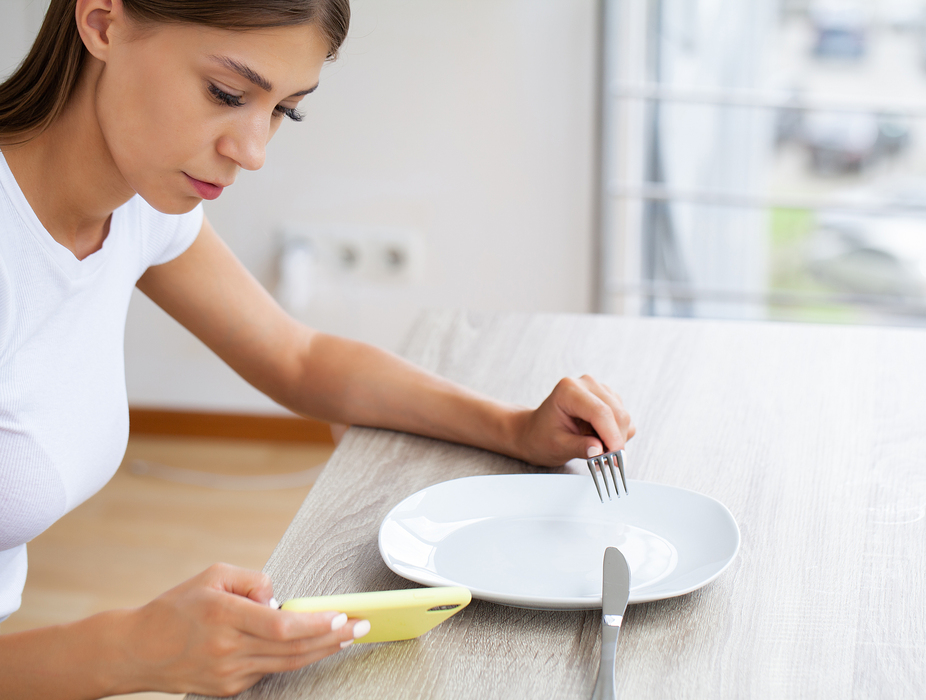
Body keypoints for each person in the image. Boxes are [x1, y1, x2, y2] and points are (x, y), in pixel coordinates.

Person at [0, 0, 635, 697]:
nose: (252, 152)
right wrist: (133, 649)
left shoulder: (136, 208)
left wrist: (514, 427)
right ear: (102, 23)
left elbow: (296, 359)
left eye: (284, 110)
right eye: (226, 94)